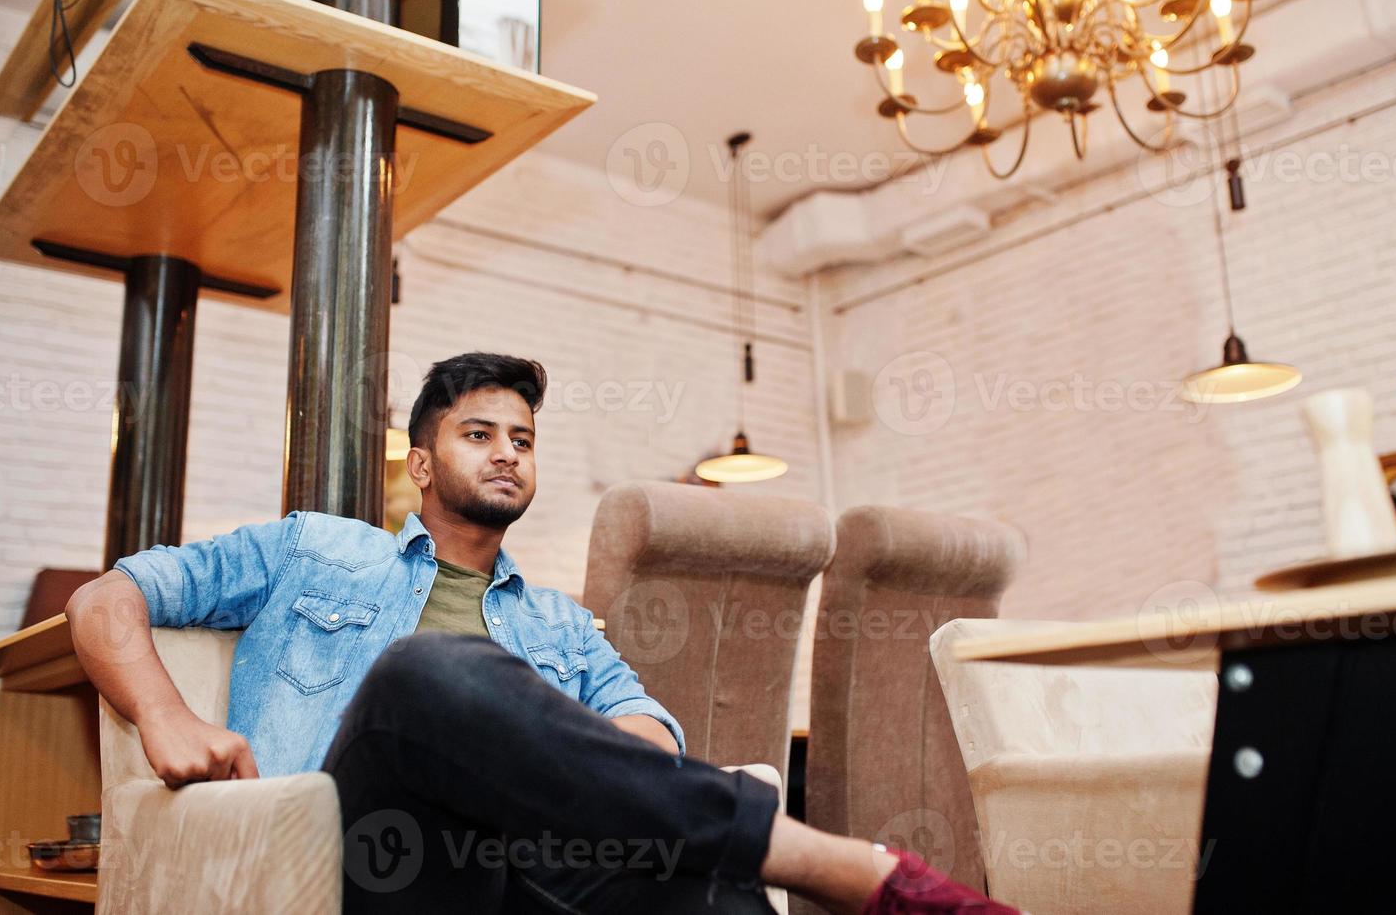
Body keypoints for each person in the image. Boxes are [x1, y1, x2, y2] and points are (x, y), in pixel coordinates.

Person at [67, 352, 1015, 914]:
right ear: (422, 465)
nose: (507, 454)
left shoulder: (560, 621)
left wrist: (613, 769)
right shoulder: (316, 550)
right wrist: (163, 716)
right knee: (425, 675)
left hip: (520, 881)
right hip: (362, 855)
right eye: (478, 434)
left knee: (691, 877)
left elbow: (645, 724)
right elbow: (105, 599)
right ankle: (861, 873)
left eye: (521, 440)